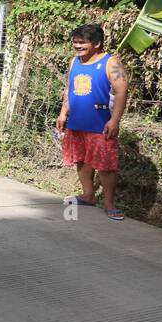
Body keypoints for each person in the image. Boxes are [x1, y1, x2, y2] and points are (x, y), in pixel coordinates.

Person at [56, 23, 128, 220]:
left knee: (106, 166)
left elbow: (122, 91)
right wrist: (63, 113)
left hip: (100, 124)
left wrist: (115, 120)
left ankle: (109, 204)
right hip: (77, 122)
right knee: (80, 159)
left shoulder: (111, 63)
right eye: (75, 42)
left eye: (83, 43)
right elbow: (69, 89)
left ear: (97, 43)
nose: (78, 46)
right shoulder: (75, 62)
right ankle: (88, 195)